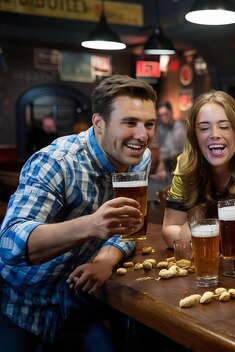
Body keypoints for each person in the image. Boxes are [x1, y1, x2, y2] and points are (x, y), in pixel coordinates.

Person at [0, 75, 157, 350]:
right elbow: (10, 244)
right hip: (20, 305)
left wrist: (106, 258)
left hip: (75, 302)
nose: (143, 136)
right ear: (99, 123)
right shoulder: (57, 162)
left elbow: (132, 226)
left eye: (149, 124)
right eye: (130, 123)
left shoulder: (139, 157)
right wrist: (91, 225)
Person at [161, 91, 235, 248]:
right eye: (204, 128)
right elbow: (170, 229)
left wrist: (196, 230)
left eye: (224, 126)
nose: (214, 134)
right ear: (195, 136)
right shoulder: (186, 164)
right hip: (205, 263)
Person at [154, 101, 186, 182]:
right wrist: (161, 165)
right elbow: (162, 149)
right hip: (167, 164)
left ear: (171, 112)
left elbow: (184, 153)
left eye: (166, 114)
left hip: (180, 165)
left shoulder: (180, 128)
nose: (163, 117)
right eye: (161, 115)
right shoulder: (161, 129)